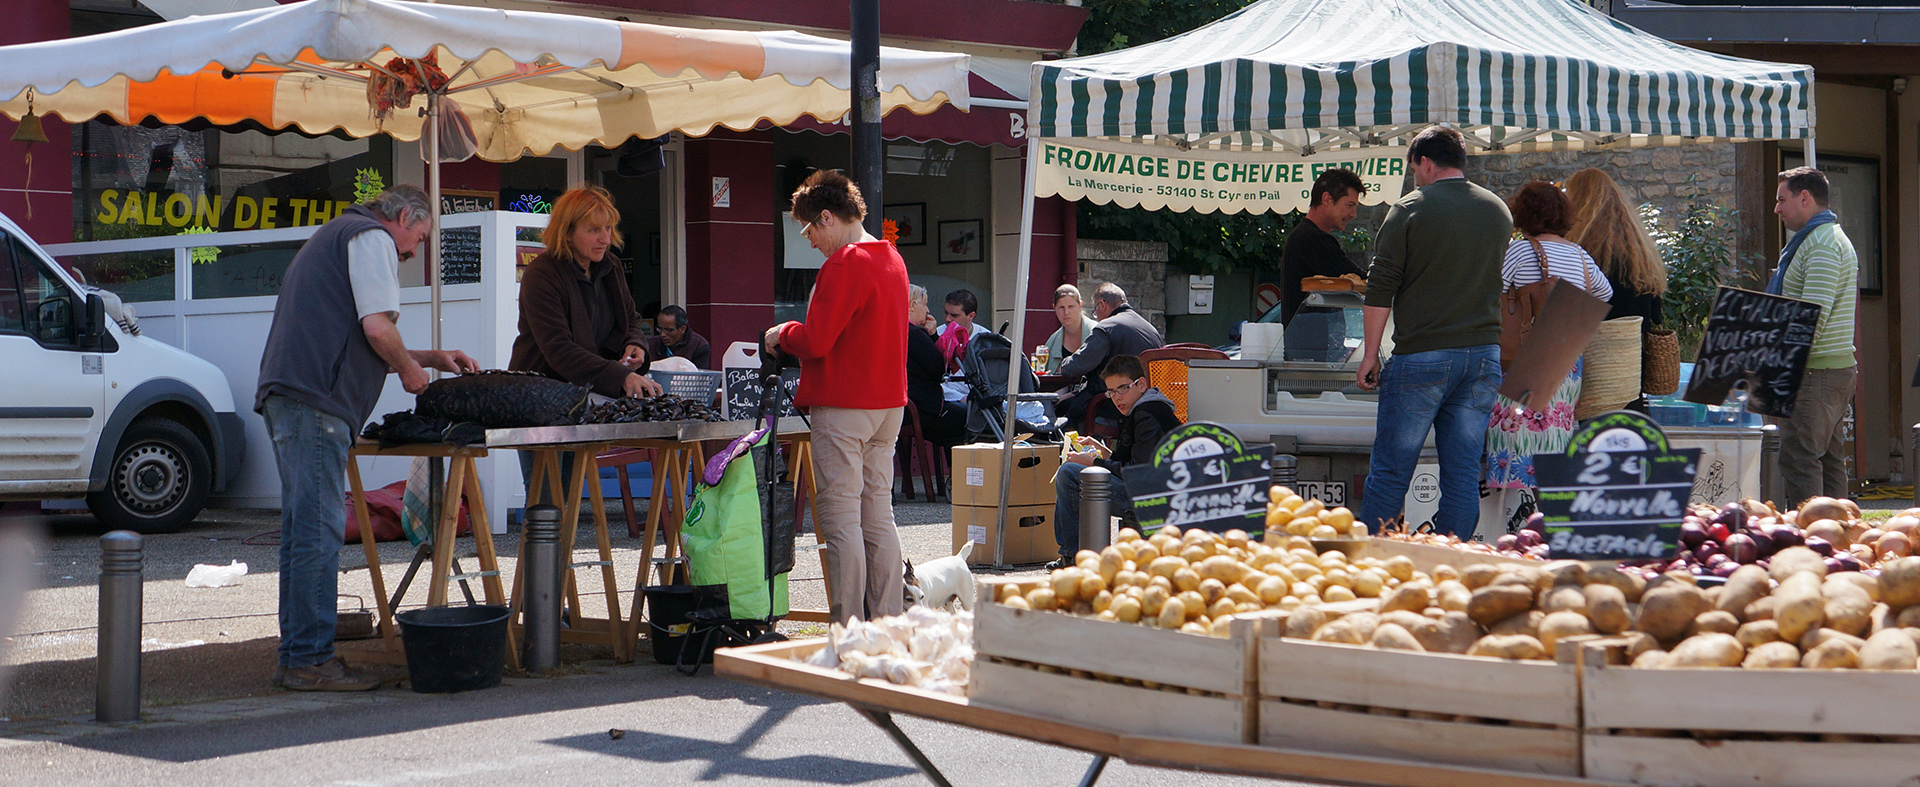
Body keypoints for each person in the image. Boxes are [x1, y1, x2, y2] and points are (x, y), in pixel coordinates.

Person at [256, 185, 480, 691]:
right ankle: (309, 661)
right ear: (401, 217)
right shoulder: (370, 237)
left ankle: (299, 655)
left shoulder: (339, 235)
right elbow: (378, 329)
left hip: (293, 394)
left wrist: (427, 357)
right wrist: (409, 371)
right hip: (315, 401)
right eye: (418, 239)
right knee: (317, 530)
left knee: (303, 530)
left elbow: (361, 333)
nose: (412, 252)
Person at [765, 170, 910, 624]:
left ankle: (849, 628)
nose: (809, 241)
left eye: (809, 230)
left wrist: (782, 333)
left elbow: (817, 341)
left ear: (827, 218)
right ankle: (887, 621)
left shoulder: (844, 262)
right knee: (877, 516)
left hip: (846, 405)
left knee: (842, 519)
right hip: (888, 406)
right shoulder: (891, 257)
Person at [1354, 125, 1512, 538]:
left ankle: (1376, 558)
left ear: (1425, 162)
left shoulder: (1409, 209)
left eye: (1414, 169)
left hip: (1422, 356)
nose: (1415, 177)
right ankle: (1452, 559)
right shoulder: (1498, 210)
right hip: (1481, 356)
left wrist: (1370, 355)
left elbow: (1380, 287)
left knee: (1391, 471)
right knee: (1460, 474)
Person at [508, 186, 662, 501]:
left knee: (570, 495)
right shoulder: (541, 275)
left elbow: (630, 319)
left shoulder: (611, 267)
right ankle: (545, 553)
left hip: (581, 400)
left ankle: (563, 553)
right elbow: (559, 350)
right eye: (594, 230)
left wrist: (637, 345)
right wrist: (622, 376)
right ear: (567, 233)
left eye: (608, 228)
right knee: (547, 497)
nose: (605, 238)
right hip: (538, 400)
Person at [1483, 182, 1613, 515]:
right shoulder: (1579, 255)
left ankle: (1515, 522)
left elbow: (1491, 290)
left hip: (1527, 354)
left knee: (1516, 434)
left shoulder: (1520, 250)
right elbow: (1604, 293)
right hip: (1567, 359)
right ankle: (1551, 514)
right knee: (1557, 431)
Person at [1770, 167, 1858, 508]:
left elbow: (1813, 316)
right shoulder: (1826, 238)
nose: (1777, 209)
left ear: (1804, 198)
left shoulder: (1820, 244)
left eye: (1782, 199)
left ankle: (1812, 542)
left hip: (1814, 371)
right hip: (1829, 369)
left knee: (1799, 458)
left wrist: (1779, 370)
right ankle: (1839, 539)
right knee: (1828, 459)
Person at [1050, 355, 1181, 570]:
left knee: (1070, 473)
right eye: (1111, 392)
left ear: (1141, 385)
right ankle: (1076, 554)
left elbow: (1138, 473)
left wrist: (1094, 462)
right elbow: (1131, 462)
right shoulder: (1141, 409)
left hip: (1153, 501)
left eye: (1123, 389)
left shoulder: (1147, 414)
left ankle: (1072, 556)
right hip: (1152, 493)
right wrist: (1104, 453)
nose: (1116, 398)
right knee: (1074, 471)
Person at [1282, 168, 1368, 362]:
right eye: (1350, 205)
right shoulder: (1313, 240)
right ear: (1327, 198)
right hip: (1310, 356)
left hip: (1309, 352)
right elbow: (1361, 280)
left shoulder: (1306, 237)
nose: (1353, 214)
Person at [1565, 168, 1667, 327]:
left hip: (1591, 344)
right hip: (1634, 344)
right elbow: (1656, 314)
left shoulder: (1577, 251)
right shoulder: (1639, 250)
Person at [1055, 283, 1164, 426]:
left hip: (1112, 406)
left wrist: (1063, 365)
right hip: (1150, 404)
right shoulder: (1150, 329)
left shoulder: (1107, 328)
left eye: (1095, 311)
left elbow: (1075, 366)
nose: (1097, 317)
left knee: (1063, 410)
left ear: (1102, 304)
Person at [906, 284, 968, 446]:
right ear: (912, 306)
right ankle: (958, 470)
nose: (927, 310)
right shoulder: (914, 334)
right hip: (924, 410)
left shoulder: (894, 330)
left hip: (906, 408)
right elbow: (939, 370)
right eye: (924, 304)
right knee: (970, 419)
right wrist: (933, 336)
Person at [1042, 284, 1097, 373]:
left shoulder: (1096, 333)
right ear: (1054, 308)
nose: (1066, 312)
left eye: (1071, 307)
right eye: (1061, 307)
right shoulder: (1051, 343)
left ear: (1080, 305)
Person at [644, 305, 712, 369]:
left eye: (669, 330)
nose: (663, 334)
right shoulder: (650, 344)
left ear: (682, 329)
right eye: (660, 329)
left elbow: (699, 377)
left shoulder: (699, 346)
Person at [934, 288, 978, 373]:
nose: (948, 318)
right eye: (946, 313)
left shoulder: (983, 338)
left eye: (954, 315)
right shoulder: (936, 335)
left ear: (971, 316)